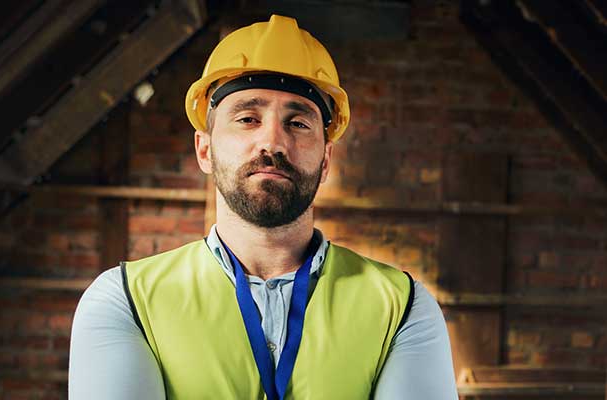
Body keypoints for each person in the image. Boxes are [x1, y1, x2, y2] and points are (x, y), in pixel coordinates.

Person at [69, 14, 457, 399]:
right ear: (204, 149)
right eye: (248, 118)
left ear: (325, 162)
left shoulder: (403, 307)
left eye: (298, 123)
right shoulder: (125, 301)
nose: (272, 142)